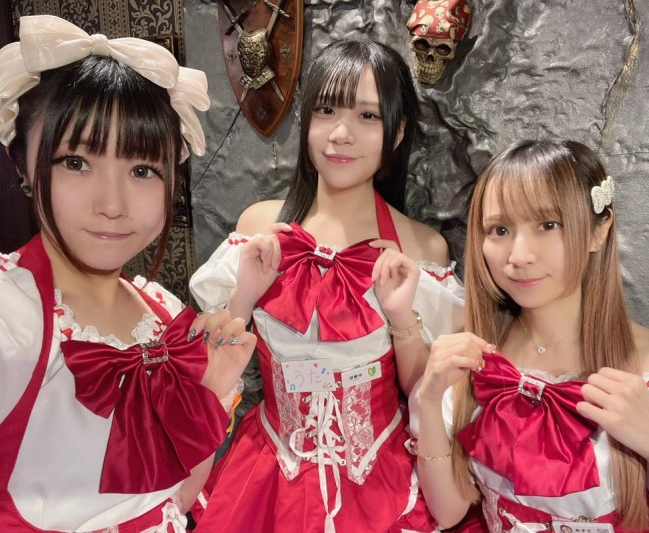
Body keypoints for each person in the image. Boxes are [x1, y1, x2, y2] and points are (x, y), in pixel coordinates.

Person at [0, 15, 256, 532]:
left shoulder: (165, 316)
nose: (113, 204)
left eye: (142, 170)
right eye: (76, 162)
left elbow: (178, 501)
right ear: (23, 163)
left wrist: (210, 391)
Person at [188, 40, 465, 532]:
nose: (340, 134)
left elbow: (423, 391)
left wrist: (402, 318)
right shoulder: (259, 228)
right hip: (267, 474)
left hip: (381, 481)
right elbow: (210, 369)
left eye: (368, 116)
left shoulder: (421, 249)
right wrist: (244, 298)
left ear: (398, 130)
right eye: (326, 110)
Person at [410, 139, 649, 532]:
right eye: (500, 229)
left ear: (598, 230)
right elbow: (449, 512)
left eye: (547, 225)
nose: (519, 256)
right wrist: (429, 400)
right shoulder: (476, 356)